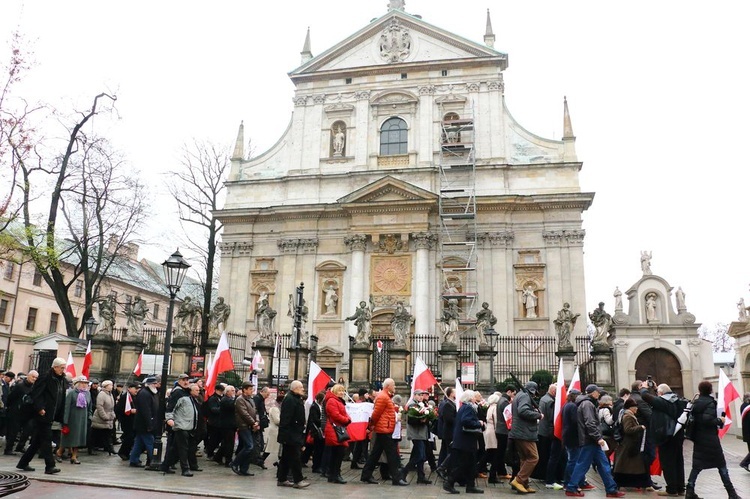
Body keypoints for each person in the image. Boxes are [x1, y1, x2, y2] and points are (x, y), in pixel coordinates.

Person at [564, 384, 624, 498]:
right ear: (592, 393)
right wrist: (598, 438)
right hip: (590, 440)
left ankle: (611, 489)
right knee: (583, 464)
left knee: (603, 464)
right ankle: (571, 487)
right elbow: (590, 423)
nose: (599, 393)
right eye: (598, 391)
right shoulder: (587, 404)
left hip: (591, 440)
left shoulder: (586, 403)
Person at [685, 381, 741, 499]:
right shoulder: (709, 402)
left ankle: (689, 490)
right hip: (710, 440)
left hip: (699, 439)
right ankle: (731, 493)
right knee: (722, 466)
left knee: (697, 466)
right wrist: (720, 420)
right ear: (710, 390)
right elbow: (707, 419)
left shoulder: (696, 402)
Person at [16, 358, 66, 474]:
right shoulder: (45, 377)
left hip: (52, 414)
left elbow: (61, 397)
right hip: (43, 414)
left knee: (37, 441)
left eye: (64, 368)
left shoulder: (62, 379)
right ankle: (50, 466)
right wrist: (40, 408)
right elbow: (36, 394)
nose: (63, 370)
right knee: (47, 439)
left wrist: (60, 414)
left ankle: (23, 463)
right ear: (55, 367)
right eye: (62, 368)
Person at [360, 378, 408, 486]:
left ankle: (366, 475)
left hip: (384, 429)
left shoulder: (385, 396)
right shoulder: (383, 397)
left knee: (375, 454)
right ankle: (396, 478)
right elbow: (376, 414)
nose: (395, 387)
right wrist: (371, 425)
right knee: (392, 454)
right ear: (388, 386)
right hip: (384, 429)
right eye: (394, 385)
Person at [640, 381, 684, 496]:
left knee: (668, 463)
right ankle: (680, 488)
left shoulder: (662, 402)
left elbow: (645, 396)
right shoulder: (677, 399)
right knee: (678, 462)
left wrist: (644, 388)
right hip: (677, 435)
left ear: (660, 393)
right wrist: (655, 388)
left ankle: (671, 489)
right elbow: (662, 396)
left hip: (666, 436)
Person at [443, 389, 484, 494]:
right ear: (470, 398)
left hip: (465, 441)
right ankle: (449, 482)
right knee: (462, 464)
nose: (476, 398)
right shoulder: (469, 408)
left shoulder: (463, 407)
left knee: (471, 465)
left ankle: (470, 485)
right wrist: (478, 423)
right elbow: (466, 421)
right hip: (465, 442)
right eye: (474, 397)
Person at [508, 381, 543, 494]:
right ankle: (519, 480)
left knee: (525, 458)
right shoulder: (525, 396)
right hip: (525, 432)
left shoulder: (520, 395)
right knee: (533, 457)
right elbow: (523, 411)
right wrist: (538, 415)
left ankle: (523, 484)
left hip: (519, 432)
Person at [277, 380, 309, 489]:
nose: (303, 389)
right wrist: (285, 435)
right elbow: (286, 418)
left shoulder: (295, 398)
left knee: (286, 458)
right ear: (295, 388)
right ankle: (298, 480)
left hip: (294, 433)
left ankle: (281, 479)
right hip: (291, 434)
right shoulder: (290, 399)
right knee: (295, 457)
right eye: (301, 388)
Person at [166, 383, 202, 477]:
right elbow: (170, 408)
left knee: (175, 449)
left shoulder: (193, 400)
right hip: (182, 427)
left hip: (189, 427)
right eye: (196, 390)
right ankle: (185, 469)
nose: (198, 392)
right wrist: (169, 419)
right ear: (190, 390)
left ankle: (165, 465)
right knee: (183, 449)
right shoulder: (182, 398)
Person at [613, 398, 650, 488]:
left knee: (627, 465)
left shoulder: (627, 415)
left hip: (630, 444)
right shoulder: (628, 416)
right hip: (629, 444)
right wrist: (640, 427)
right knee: (630, 465)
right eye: (635, 407)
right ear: (631, 408)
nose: (637, 409)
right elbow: (628, 430)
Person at [56, 376, 93, 465]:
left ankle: (74, 456)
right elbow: (67, 407)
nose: (84, 385)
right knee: (68, 438)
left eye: (86, 383)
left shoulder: (87, 394)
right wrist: (65, 420)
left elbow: (90, 407)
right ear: (77, 384)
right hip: (72, 419)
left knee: (79, 439)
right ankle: (59, 452)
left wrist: (89, 416)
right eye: (82, 383)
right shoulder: (72, 393)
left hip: (83, 420)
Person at [401, 389, 432, 484]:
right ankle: (403, 472)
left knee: (419, 455)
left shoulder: (422, 405)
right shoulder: (412, 405)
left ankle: (421, 476)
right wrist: (421, 420)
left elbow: (426, 419)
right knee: (420, 455)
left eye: (422, 395)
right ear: (414, 395)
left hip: (422, 434)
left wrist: (427, 419)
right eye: (419, 395)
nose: (421, 397)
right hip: (416, 434)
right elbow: (411, 420)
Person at [5, 370, 37, 456]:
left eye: (36, 377)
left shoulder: (34, 387)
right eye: (33, 377)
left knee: (27, 430)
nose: (34, 379)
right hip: (17, 411)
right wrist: (11, 407)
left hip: (28, 413)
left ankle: (20, 446)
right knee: (13, 431)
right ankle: (8, 449)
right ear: (28, 376)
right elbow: (11, 397)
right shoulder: (19, 386)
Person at [323, 384, 351, 484]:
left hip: (337, 429)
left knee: (336, 453)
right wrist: (346, 420)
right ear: (335, 391)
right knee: (338, 453)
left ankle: (333, 474)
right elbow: (335, 415)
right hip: (334, 429)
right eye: (340, 391)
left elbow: (343, 413)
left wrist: (347, 419)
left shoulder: (337, 401)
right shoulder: (332, 401)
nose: (342, 393)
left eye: (343, 391)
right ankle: (335, 474)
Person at [129, 376, 159, 468]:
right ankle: (154, 461)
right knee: (150, 443)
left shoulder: (151, 393)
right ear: (149, 384)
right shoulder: (144, 394)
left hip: (145, 423)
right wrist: (149, 424)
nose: (156, 385)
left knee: (139, 443)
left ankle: (133, 460)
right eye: (154, 384)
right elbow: (146, 410)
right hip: (144, 424)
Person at [537, 383, 564, 489]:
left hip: (543, 431)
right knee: (550, 456)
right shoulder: (550, 401)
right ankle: (551, 478)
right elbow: (551, 418)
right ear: (553, 392)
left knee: (545, 455)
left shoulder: (544, 398)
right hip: (548, 432)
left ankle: (546, 476)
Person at [230, 382, 259, 476]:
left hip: (251, 426)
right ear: (244, 390)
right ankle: (234, 463)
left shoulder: (251, 399)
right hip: (243, 426)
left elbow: (255, 411)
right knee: (249, 446)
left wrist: (257, 421)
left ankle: (244, 468)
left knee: (247, 447)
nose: (252, 390)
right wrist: (253, 422)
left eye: (252, 389)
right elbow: (244, 413)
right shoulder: (240, 400)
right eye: (250, 389)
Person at [302, 390, 325, 473]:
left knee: (318, 449)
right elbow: (314, 419)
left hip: (320, 430)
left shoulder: (320, 406)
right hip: (315, 431)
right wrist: (323, 421)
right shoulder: (314, 406)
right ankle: (315, 466)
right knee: (316, 449)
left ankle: (318, 465)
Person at [90, 379, 116, 455]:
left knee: (108, 434)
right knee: (95, 434)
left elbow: (111, 407)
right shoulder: (101, 394)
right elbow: (99, 406)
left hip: (109, 417)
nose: (112, 386)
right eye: (110, 385)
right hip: (100, 418)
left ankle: (109, 448)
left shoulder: (110, 394)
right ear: (106, 386)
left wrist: (113, 415)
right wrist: (104, 416)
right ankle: (91, 448)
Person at [115, 382, 139, 460]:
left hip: (132, 420)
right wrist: (129, 411)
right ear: (129, 388)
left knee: (131, 437)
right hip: (126, 420)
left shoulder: (134, 397)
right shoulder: (125, 397)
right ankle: (122, 452)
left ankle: (126, 452)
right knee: (129, 437)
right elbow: (119, 409)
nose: (136, 390)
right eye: (135, 388)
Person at [215, 385, 237, 467]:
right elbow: (232, 406)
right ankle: (228, 460)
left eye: (234, 390)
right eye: (232, 390)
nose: (234, 392)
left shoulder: (229, 399)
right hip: (227, 425)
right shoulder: (225, 400)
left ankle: (218, 456)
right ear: (227, 392)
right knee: (229, 444)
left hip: (230, 425)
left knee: (226, 443)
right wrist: (237, 397)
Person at [437, 386, 457, 474]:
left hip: (450, 432)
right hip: (449, 432)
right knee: (449, 451)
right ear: (451, 394)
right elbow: (448, 419)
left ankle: (442, 467)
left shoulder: (452, 403)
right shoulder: (447, 404)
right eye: (455, 392)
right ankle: (445, 469)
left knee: (445, 450)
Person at [204, 383, 224, 459]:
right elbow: (213, 409)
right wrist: (222, 409)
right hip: (213, 422)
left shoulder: (221, 398)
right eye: (220, 390)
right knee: (213, 438)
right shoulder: (213, 398)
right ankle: (210, 452)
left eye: (222, 390)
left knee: (218, 438)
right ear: (216, 390)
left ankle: (211, 451)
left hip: (219, 422)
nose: (221, 392)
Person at [253, 385, 271, 468]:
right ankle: (256, 458)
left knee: (259, 441)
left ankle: (257, 458)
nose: (268, 396)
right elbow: (255, 411)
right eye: (267, 394)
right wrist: (257, 422)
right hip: (258, 423)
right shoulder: (257, 398)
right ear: (263, 392)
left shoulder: (261, 399)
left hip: (261, 423)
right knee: (258, 442)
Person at [741, 392, 750, 472]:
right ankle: (744, 463)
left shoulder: (743, 406)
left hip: (747, 432)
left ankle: (745, 463)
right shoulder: (747, 407)